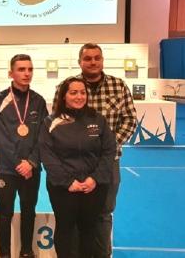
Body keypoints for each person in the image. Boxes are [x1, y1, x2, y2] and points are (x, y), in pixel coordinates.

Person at [53, 43, 137, 256]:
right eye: (87, 58)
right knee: (74, 215)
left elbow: (129, 120)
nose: (92, 62)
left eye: (96, 58)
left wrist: (107, 148)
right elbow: (56, 123)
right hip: (72, 165)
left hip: (108, 164)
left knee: (103, 214)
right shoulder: (66, 87)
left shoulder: (118, 86)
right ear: (80, 61)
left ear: (102, 60)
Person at [40, 77, 116, 258]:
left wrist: (94, 179)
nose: (79, 96)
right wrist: (68, 182)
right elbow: (47, 155)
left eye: (83, 92)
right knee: (65, 229)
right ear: (64, 96)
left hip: (93, 188)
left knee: (89, 230)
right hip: (63, 189)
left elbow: (108, 151)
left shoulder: (98, 120)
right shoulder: (50, 122)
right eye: (73, 92)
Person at [0, 54, 47, 258]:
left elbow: (43, 136)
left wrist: (31, 162)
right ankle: (4, 254)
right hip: (7, 168)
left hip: (31, 169)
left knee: (28, 211)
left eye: (30, 69)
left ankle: (26, 251)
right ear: (11, 73)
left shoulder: (39, 101)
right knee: (5, 213)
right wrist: (18, 163)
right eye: (21, 69)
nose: (26, 73)